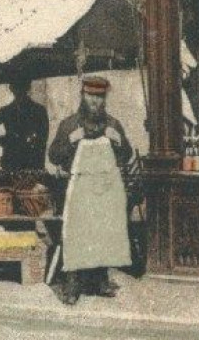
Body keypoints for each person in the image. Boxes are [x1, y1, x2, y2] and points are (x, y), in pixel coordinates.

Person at [48, 76, 140, 304]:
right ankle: (72, 284)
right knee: (77, 234)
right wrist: (70, 140)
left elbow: (127, 156)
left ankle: (100, 280)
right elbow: (53, 156)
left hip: (106, 190)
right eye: (90, 96)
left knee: (103, 234)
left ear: (104, 98)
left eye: (99, 97)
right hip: (78, 191)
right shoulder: (69, 125)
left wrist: (119, 142)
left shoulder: (113, 125)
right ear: (82, 95)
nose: (95, 101)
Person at [0, 78, 51, 172]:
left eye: (20, 87)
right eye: (17, 88)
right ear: (29, 87)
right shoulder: (39, 110)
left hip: (19, 161)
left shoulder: (7, 110)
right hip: (27, 161)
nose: (19, 91)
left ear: (10, 88)